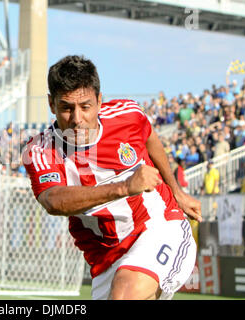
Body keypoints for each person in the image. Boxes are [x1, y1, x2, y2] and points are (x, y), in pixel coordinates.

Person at [22, 55, 201, 300]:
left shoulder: (127, 114)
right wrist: (125, 186)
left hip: (158, 226)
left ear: (99, 100)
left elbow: (149, 136)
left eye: (85, 107)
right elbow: (54, 200)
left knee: (125, 293)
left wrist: (177, 192)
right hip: (106, 261)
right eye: (66, 108)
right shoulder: (39, 150)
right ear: (51, 104)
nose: (76, 119)